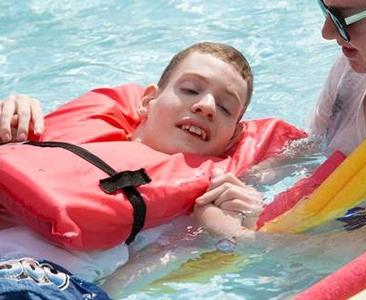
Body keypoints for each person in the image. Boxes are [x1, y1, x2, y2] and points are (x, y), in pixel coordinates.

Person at [0, 42, 265, 299]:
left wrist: (239, 233)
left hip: (42, 283)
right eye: (190, 89)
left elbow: (289, 255)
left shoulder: (204, 202)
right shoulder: (50, 132)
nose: (206, 106)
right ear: (148, 100)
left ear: (232, 139)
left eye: (225, 107)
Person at [309, 0, 366, 162]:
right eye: (325, 7)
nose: (327, 32)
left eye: (344, 18)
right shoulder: (350, 70)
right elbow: (311, 147)